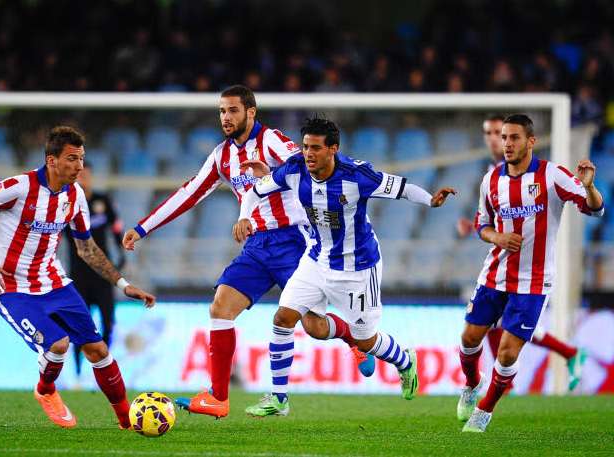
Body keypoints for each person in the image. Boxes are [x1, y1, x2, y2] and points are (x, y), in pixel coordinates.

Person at [122, 85, 374, 419]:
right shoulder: (221, 156)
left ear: (250, 112)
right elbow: (190, 193)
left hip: (294, 242)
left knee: (314, 326)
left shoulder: (270, 140)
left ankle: (353, 338)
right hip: (257, 247)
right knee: (220, 307)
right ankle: (218, 397)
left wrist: (271, 176)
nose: (226, 118)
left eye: (233, 111)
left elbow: (304, 165)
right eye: (222, 112)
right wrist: (143, 227)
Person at [236, 116, 456, 417]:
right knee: (283, 318)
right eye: (305, 147)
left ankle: (405, 361)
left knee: (365, 340)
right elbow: (256, 190)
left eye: (315, 148)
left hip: (357, 268)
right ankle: (278, 398)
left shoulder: (356, 175)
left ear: (333, 150)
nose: (308, 154)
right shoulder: (294, 168)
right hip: (316, 258)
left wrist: (431, 200)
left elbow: (402, 188)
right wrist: (244, 216)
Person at [0, 126, 155, 429]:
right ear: (51, 160)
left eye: (82, 159)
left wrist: (123, 284)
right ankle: (45, 390)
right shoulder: (19, 187)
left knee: (98, 350)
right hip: (11, 287)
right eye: (72, 159)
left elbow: (87, 249)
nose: (79, 167)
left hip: (55, 285)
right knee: (58, 345)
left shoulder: (75, 197)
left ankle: (128, 420)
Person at [459, 114, 604, 432]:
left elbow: (595, 208)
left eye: (513, 137)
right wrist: (496, 237)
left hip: (534, 281)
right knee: (469, 339)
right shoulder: (491, 179)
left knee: (509, 352)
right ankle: (472, 384)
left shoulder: (553, 176)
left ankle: (484, 410)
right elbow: (482, 224)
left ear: (531, 141)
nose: (506, 143)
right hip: (495, 274)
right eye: (503, 137)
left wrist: (589, 187)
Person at [65, 163, 126, 382]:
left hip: (102, 274)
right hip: (78, 275)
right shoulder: (67, 204)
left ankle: (101, 367)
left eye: (86, 175)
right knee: (80, 325)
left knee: (108, 322)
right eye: (80, 175)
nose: (83, 179)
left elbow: (116, 226)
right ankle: (79, 373)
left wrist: (121, 252)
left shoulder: (102, 201)